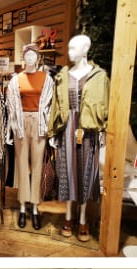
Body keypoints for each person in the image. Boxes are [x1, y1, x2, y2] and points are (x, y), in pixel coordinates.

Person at [48, 34, 110, 242]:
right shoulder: (62, 76)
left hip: (89, 130)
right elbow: (55, 106)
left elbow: (106, 105)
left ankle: (82, 218)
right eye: (69, 48)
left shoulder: (99, 76)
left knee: (85, 174)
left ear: (85, 50)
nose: (69, 52)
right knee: (66, 172)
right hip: (67, 129)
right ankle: (67, 215)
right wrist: (52, 132)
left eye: (74, 48)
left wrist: (105, 130)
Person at [7, 43, 54, 230]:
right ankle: (22, 207)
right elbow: (11, 105)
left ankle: (34, 208)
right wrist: (14, 125)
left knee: (36, 165)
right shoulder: (15, 80)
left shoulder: (47, 78)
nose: (30, 58)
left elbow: (50, 104)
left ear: (38, 57)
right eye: (27, 55)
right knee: (21, 165)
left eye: (33, 55)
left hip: (39, 124)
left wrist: (47, 122)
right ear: (23, 57)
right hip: (20, 123)